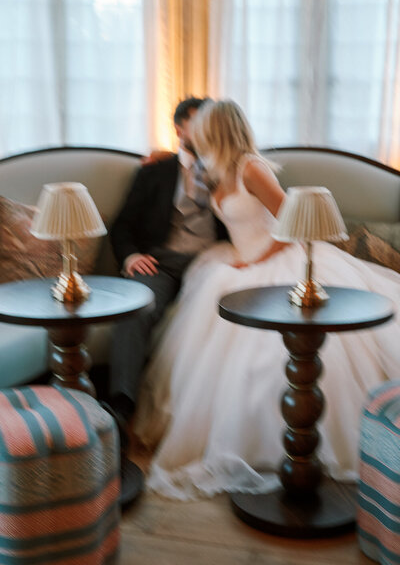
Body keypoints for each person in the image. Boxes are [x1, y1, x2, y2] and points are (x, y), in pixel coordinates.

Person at [133, 99, 400, 500]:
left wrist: (258, 260)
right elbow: (182, 167)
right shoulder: (211, 169)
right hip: (237, 261)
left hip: (281, 259)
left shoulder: (251, 168)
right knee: (216, 332)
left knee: (275, 350)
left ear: (218, 131)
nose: (195, 136)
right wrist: (158, 157)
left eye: (202, 129)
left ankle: (301, 445)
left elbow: (291, 220)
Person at [106, 97, 229, 440]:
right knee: (136, 309)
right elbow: (123, 225)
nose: (206, 129)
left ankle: (209, 421)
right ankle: (121, 408)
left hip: (212, 261)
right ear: (179, 128)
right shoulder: (154, 171)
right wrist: (130, 256)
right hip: (160, 262)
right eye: (197, 122)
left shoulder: (227, 167)